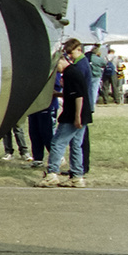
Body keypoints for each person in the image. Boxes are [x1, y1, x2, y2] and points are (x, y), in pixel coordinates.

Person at [39, 38, 91, 187]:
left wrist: (77, 117)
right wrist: (57, 94)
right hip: (82, 114)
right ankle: (77, 176)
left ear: (62, 61)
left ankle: (52, 173)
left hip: (74, 115)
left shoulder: (70, 73)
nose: (57, 70)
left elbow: (79, 97)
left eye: (57, 67)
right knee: (76, 145)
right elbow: (73, 94)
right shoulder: (73, 72)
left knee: (57, 143)